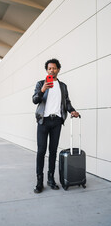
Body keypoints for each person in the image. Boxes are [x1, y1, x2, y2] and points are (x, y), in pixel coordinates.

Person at [32, 58, 79, 193]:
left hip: (57, 121)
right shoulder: (41, 83)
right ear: (47, 70)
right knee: (41, 151)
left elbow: (67, 102)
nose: (52, 70)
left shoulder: (63, 86)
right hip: (43, 121)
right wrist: (42, 90)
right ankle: (39, 181)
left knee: (53, 151)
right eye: (49, 68)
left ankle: (51, 179)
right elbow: (35, 100)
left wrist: (72, 111)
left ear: (58, 69)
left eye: (54, 68)